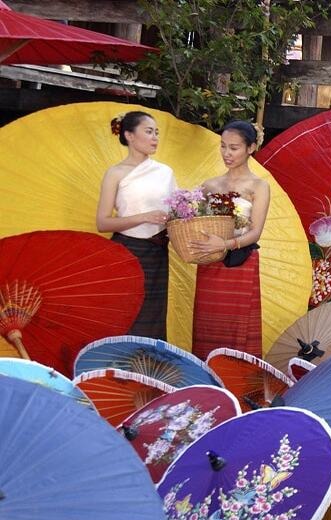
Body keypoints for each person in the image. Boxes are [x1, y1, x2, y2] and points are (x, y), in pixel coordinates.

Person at [188, 121, 270, 360]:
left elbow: (255, 232)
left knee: (238, 328)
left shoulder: (259, 186)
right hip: (210, 261)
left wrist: (224, 244)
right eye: (223, 146)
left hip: (241, 262)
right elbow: (192, 218)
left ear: (251, 148)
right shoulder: (209, 185)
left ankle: (238, 385)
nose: (226, 153)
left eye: (233, 148)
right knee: (208, 326)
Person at [97, 111, 177, 340]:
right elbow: (103, 222)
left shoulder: (165, 172)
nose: (155, 138)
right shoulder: (115, 173)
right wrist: (144, 217)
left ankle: (147, 369)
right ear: (130, 135)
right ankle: (120, 368)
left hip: (157, 250)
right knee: (125, 311)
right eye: (149, 131)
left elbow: (175, 213)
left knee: (153, 314)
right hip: (126, 250)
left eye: (157, 133)